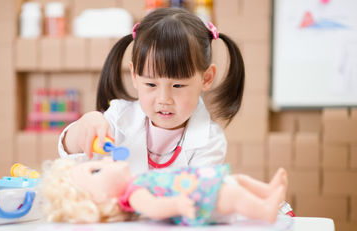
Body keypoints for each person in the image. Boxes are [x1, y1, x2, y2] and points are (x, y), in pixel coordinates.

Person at [58, 8, 245, 174]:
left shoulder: (210, 140)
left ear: (206, 78)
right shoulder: (119, 118)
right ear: (134, 76)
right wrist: (85, 125)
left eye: (178, 86)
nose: (164, 99)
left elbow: (198, 196)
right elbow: (71, 153)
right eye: (151, 85)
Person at [41, 157, 288, 225]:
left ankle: (267, 191)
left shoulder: (138, 180)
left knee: (239, 180)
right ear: (101, 199)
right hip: (200, 200)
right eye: (96, 172)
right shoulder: (134, 195)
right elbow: (155, 208)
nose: (106, 159)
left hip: (205, 184)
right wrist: (178, 206)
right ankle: (265, 210)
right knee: (234, 196)